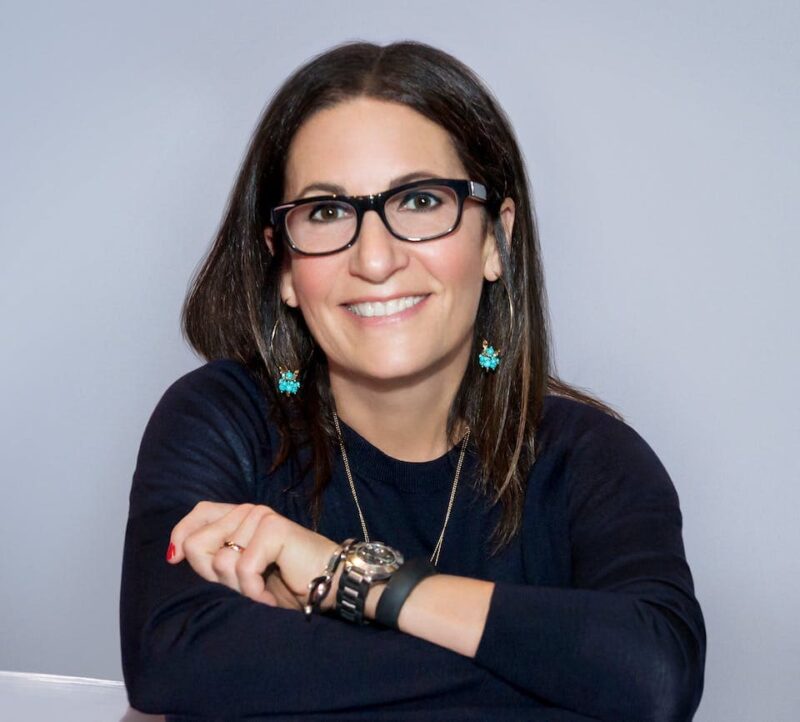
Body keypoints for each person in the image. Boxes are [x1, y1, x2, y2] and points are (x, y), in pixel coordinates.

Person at [120, 40, 706, 721]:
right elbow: (173, 663)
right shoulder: (222, 419)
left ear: (495, 240)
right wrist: (556, 674)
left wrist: (349, 578)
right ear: (282, 265)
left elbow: (654, 676)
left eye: (422, 200)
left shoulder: (592, 459)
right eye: (327, 213)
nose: (374, 259)